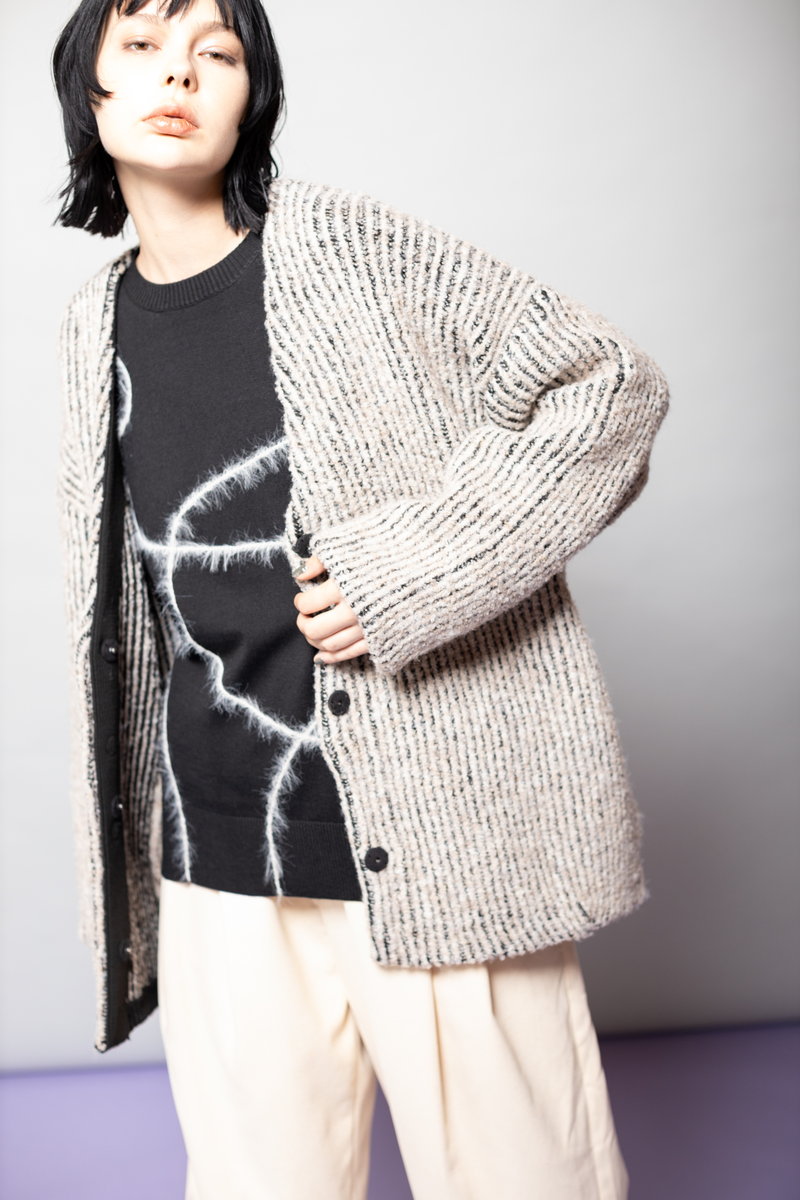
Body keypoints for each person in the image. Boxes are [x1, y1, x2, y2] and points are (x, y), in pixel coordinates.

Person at [52, 1, 670, 1197]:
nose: (179, 73)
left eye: (217, 53)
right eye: (142, 46)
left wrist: (416, 569)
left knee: (523, 1179)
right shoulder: (90, 321)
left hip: (439, 833)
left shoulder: (350, 247)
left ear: (252, 98)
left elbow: (608, 386)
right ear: (88, 85)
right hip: (214, 850)